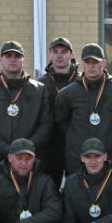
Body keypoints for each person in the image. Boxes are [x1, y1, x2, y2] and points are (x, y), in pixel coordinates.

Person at [55, 43, 112, 178]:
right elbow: (61, 121)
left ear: (104, 63)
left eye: (95, 62)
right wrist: (75, 138)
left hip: (111, 159)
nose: (91, 65)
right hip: (77, 160)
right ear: (82, 64)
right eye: (87, 62)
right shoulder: (68, 93)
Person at [0, 41, 53, 180]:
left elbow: (46, 124)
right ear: (0, 60)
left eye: (17, 56)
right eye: (8, 55)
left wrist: (24, 152)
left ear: (23, 60)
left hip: (30, 165)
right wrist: (8, 150)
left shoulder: (39, 90)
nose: (12, 59)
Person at [39, 37, 81, 184]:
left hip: (77, 149)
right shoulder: (39, 84)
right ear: (50, 55)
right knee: (50, 194)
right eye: (55, 52)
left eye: (64, 52)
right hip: (49, 150)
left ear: (72, 55)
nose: (59, 56)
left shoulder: (82, 83)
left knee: (75, 194)